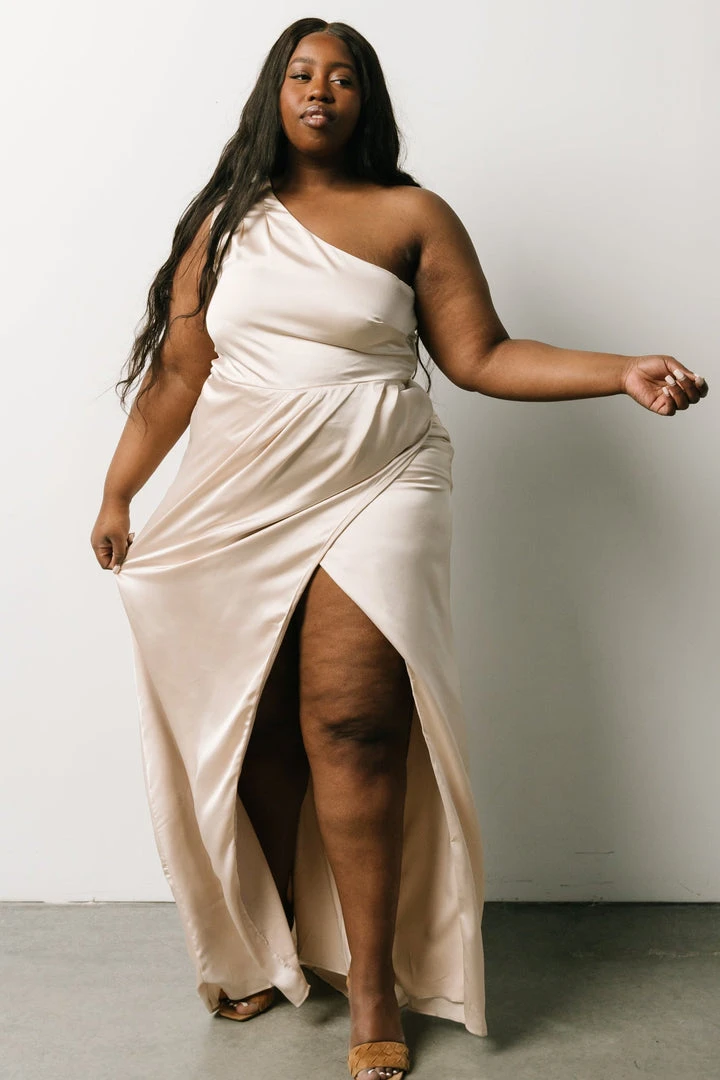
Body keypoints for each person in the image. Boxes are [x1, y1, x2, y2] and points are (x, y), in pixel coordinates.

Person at [90, 18, 708, 1080]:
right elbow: (180, 373)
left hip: (382, 478)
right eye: (301, 73)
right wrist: (117, 490)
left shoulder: (413, 215)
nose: (319, 90)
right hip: (241, 488)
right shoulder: (225, 224)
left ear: (366, 100)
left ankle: (375, 982)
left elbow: (483, 354)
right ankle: (272, 944)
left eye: (342, 77)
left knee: (356, 718)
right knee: (252, 729)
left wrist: (617, 371)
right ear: (273, 93)